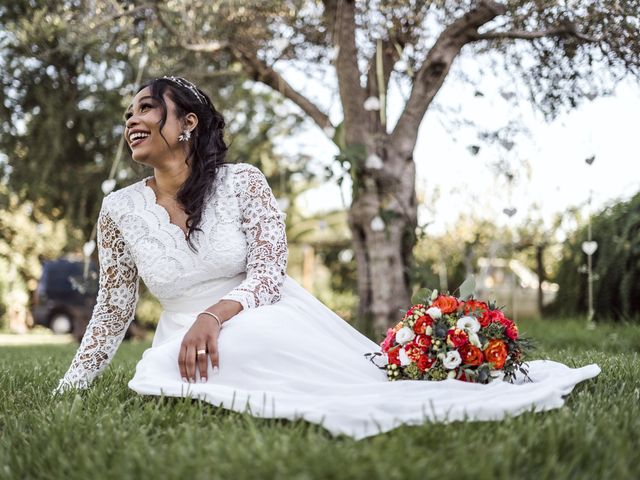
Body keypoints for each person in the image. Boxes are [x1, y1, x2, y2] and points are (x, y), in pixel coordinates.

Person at [55, 76, 600, 440]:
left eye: (147, 107)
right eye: (129, 112)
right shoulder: (118, 210)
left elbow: (270, 274)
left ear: (188, 122)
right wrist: (71, 387)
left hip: (258, 313)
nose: (133, 119)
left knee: (245, 344)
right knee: (162, 363)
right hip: (182, 333)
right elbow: (113, 308)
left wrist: (213, 316)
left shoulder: (243, 183)